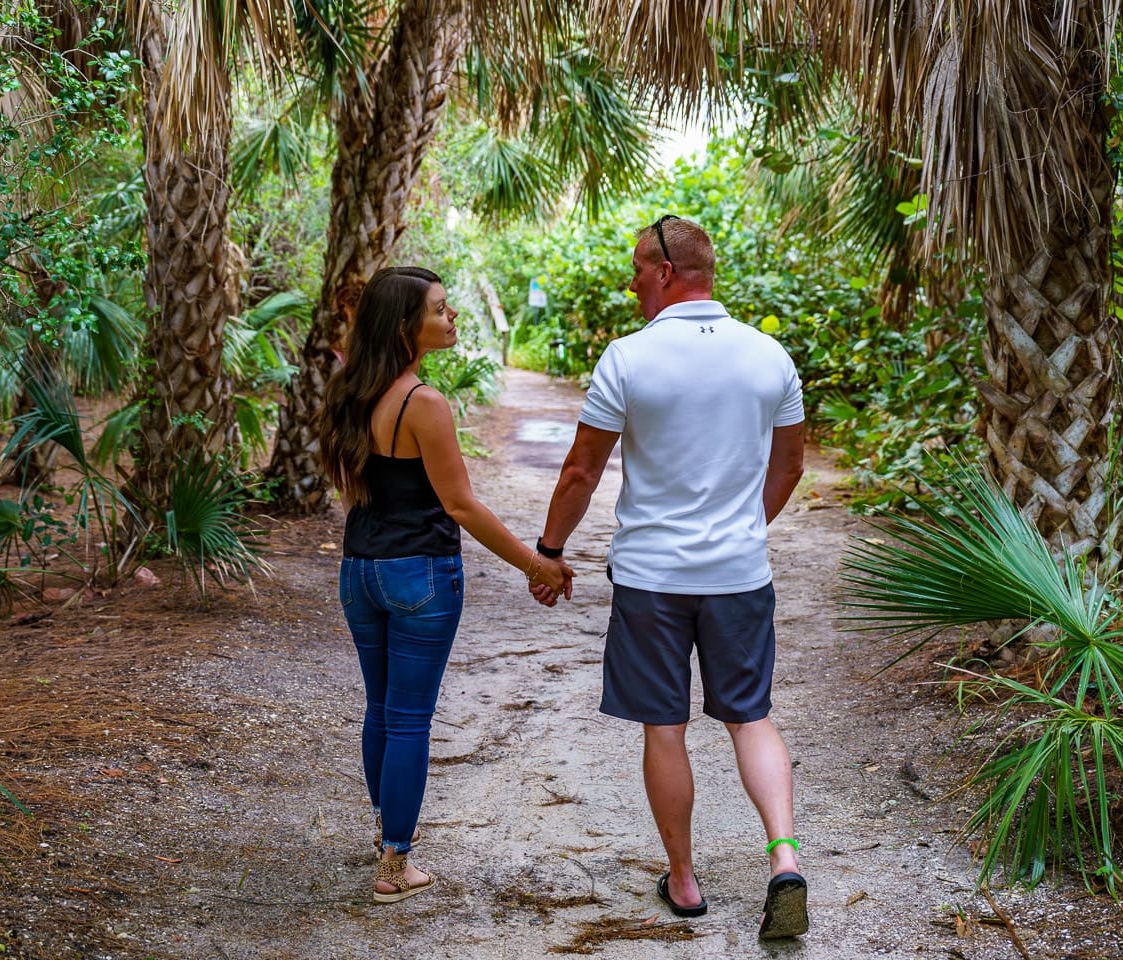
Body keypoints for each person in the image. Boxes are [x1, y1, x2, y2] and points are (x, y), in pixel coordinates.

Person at [531, 216, 810, 939]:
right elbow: (789, 468)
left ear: (663, 271)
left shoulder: (628, 358)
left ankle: (684, 883)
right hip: (739, 574)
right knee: (750, 716)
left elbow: (582, 470)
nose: (630, 283)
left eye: (635, 269)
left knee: (666, 726)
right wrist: (744, 531)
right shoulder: (769, 356)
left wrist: (550, 547)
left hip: (653, 577)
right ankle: (783, 859)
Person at [317, 266, 573, 904]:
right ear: (407, 326)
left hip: (359, 571)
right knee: (408, 719)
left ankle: (386, 834)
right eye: (441, 309)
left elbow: (355, 490)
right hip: (420, 575)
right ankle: (394, 863)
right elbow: (460, 505)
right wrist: (534, 563)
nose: (452, 318)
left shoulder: (349, 390)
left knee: (381, 708)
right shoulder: (422, 402)